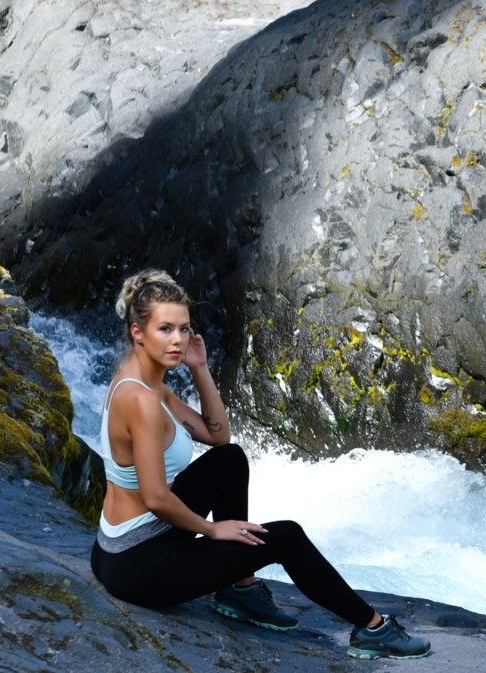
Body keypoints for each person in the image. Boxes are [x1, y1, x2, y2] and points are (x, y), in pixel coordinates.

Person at [89, 269, 430, 660]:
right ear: (138, 332)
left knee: (230, 460)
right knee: (286, 537)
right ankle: (374, 629)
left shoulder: (147, 384)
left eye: (184, 329)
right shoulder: (143, 401)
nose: (178, 340)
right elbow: (154, 497)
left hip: (116, 548)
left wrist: (200, 368)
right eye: (166, 329)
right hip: (137, 566)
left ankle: (240, 589)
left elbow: (218, 437)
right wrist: (212, 529)